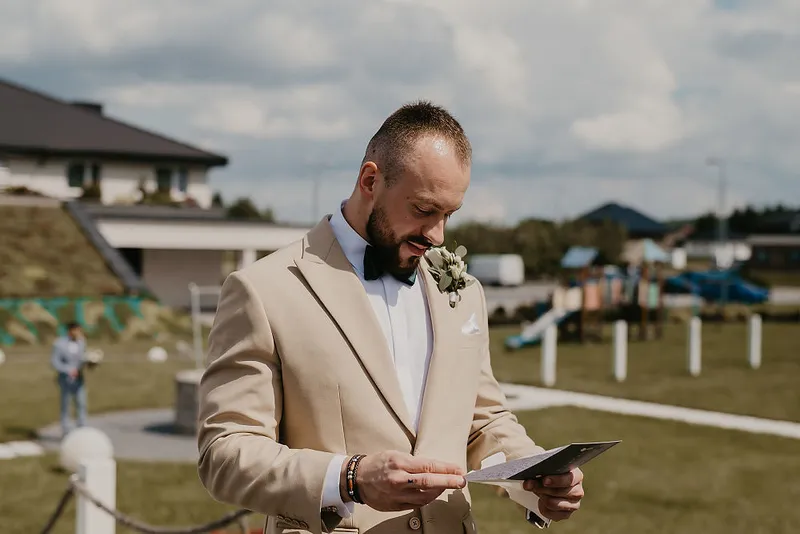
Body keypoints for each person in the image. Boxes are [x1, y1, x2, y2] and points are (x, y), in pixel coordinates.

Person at [197, 101, 585, 534]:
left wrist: (534, 478)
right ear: (370, 181)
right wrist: (350, 478)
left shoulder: (463, 292)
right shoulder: (264, 290)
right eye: (423, 210)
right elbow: (225, 454)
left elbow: (481, 421)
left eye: (448, 215)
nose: (437, 236)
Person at [51, 321, 88, 437]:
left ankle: (82, 427)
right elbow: (54, 362)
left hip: (79, 378)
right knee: (66, 403)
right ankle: (66, 430)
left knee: (81, 402)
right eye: (76, 330)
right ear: (70, 331)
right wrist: (68, 370)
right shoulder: (59, 344)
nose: (78, 333)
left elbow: (81, 358)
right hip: (65, 379)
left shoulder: (82, 342)